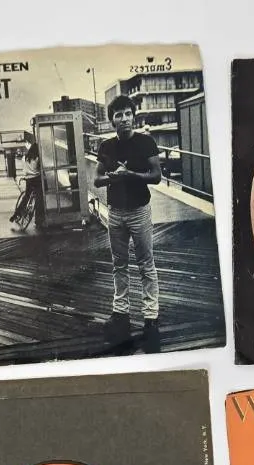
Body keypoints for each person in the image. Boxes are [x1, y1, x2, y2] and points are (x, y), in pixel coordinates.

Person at [94, 94, 164, 353]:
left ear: (133, 116)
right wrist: (114, 177)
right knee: (119, 264)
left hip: (139, 211)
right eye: (118, 115)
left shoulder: (146, 142)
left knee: (146, 263)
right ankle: (120, 315)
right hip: (115, 212)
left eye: (127, 114)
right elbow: (97, 179)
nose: (123, 119)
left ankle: (151, 318)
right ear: (112, 120)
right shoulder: (106, 146)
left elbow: (156, 176)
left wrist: (131, 175)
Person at [10, 138, 41, 228]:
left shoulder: (25, 158)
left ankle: (16, 214)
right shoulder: (37, 158)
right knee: (40, 198)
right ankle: (38, 219)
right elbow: (39, 169)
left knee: (26, 197)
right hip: (37, 179)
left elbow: (24, 169)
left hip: (28, 179)